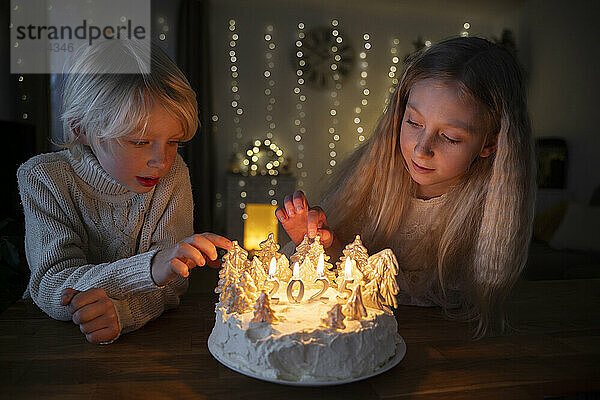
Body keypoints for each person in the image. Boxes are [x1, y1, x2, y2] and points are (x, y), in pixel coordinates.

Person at [276, 36, 536, 337]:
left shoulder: (488, 214)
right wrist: (318, 245)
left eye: (450, 137)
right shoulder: (372, 181)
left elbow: (455, 301)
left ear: (490, 143)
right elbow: (340, 278)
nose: (421, 149)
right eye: (413, 123)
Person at [17, 41, 232, 344]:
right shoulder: (44, 179)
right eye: (140, 142)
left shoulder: (173, 176)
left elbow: (172, 282)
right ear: (81, 130)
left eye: (173, 141)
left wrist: (126, 311)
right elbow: (52, 285)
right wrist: (151, 267)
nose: (162, 160)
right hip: (47, 341)